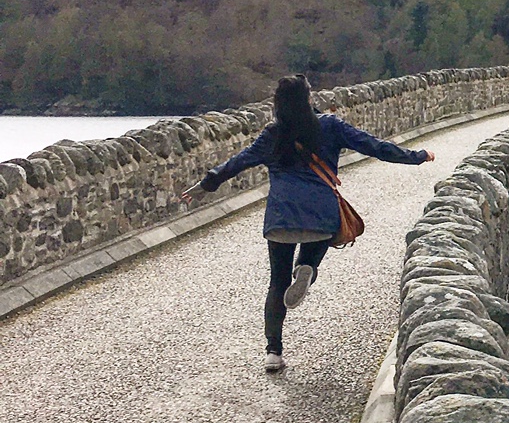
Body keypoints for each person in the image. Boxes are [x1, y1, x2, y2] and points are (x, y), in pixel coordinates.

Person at [184, 74, 434, 374]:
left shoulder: (272, 134)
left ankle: (273, 352)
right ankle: (307, 270)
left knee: (277, 283)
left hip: (281, 217)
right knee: (310, 256)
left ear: (278, 103)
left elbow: (239, 161)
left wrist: (206, 185)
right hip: (320, 215)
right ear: (308, 99)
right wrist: (417, 156)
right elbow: (373, 146)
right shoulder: (330, 126)